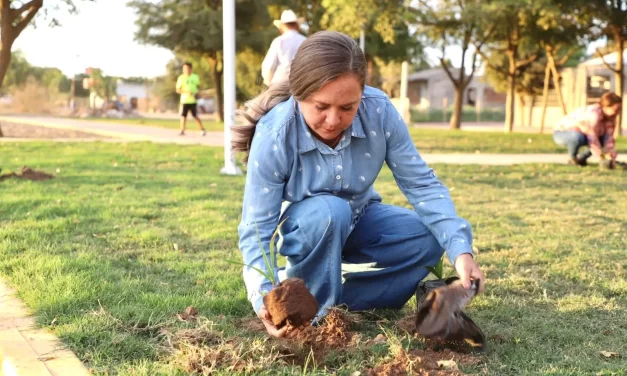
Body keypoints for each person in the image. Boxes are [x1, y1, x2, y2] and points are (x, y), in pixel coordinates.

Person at [232, 31, 484, 339]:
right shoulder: (275, 134)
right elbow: (257, 227)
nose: (333, 119)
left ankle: (329, 301)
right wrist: (263, 294)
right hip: (307, 228)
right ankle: (314, 317)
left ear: (362, 95)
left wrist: (461, 251)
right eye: (321, 106)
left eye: (347, 108)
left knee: (429, 237)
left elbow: (422, 185)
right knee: (330, 211)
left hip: (360, 216)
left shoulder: (379, 111)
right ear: (298, 94)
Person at [553, 92, 622, 168]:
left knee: (602, 140)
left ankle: (581, 159)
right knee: (578, 137)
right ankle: (572, 158)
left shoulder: (611, 118)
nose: (618, 112)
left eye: (620, 109)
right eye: (616, 109)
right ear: (605, 107)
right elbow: (592, 138)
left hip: (585, 135)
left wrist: (611, 158)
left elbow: (609, 139)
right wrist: (601, 157)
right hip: (562, 133)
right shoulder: (593, 115)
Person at [261, 9, 307, 87]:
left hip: (280, 86)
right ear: (297, 25)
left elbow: (269, 67)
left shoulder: (279, 41)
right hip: (301, 85)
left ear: (282, 27)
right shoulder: (305, 41)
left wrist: (269, 83)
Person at [176, 62, 206, 136]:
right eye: (184, 68)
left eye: (188, 68)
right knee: (183, 116)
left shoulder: (195, 77)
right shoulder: (181, 78)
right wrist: (186, 92)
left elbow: (198, 87)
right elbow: (178, 90)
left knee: (195, 115)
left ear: (191, 69)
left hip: (193, 100)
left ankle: (202, 129)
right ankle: (182, 130)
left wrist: (197, 93)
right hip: (184, 100)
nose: (186, 70)